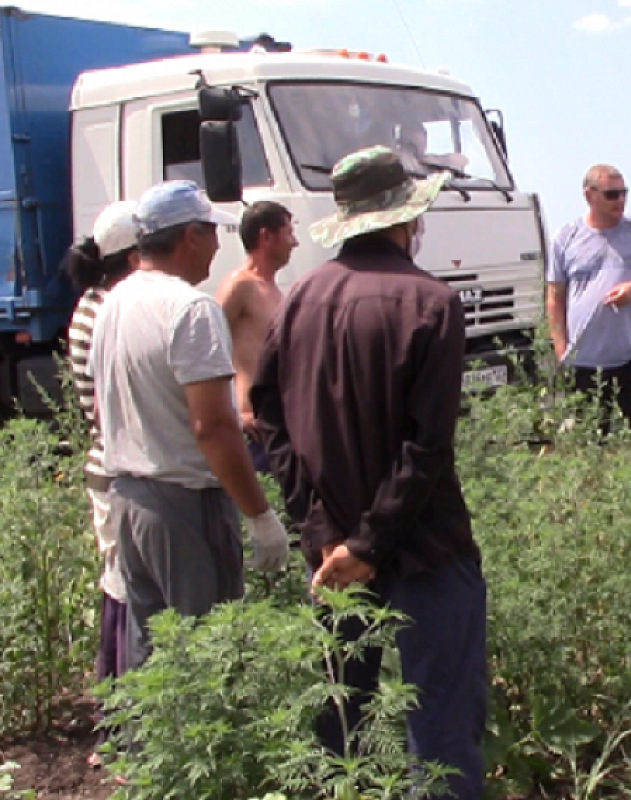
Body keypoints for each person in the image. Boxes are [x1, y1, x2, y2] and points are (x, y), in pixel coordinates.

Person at [249, 146, 486, 800]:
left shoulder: (298, 300)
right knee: (439, 733)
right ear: (408, 221)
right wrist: (370, 544)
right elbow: (426, 446)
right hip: (425, 550)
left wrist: (323, 531)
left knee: (340, 723)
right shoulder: (431, 301)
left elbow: (270, 417)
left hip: (331, 554)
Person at [88, 180, 290, 671]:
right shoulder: (190, 309)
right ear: (189, 238)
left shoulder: (113, 302)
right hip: (185, 504)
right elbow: (215, 426)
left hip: (129, 499)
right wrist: (261, 517)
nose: (219, 246)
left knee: (151, 659)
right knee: (204, 658)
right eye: (212, 234)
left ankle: (137, 750)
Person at [64, 200, 140, 766]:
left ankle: (117, 719)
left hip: (104, 464)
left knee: (118, 584)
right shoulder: (111, 309)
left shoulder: (91, 305)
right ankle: (118, 726)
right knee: (122, 591)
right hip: (116, 469)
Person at [547, 164, 631, 432]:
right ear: (589, 195)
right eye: (611, 194)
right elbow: (555, 297)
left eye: (623, 193)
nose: (620, 200)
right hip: (585, 360)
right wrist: (561, 350)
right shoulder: (566, 238)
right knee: (591, 443)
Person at [216, 200, 297, 473]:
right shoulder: (240, 285)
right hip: (254, 423)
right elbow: (210, 345)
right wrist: (237, 410)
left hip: (279, 419)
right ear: (266, 237)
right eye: (288, 233)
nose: (294, 242)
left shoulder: (273, 290)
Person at [397, 122, 469, 172]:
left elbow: (463, 160)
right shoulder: (397, 161)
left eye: (425, 135)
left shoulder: (428, 160)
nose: (424, 141)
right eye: (411, 145)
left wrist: (444, 160)